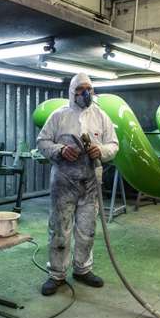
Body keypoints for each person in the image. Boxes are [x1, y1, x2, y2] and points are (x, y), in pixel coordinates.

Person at [36, 73, 119, 296]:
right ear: (72, 92)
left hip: (91, 183)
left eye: (89, 89)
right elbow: (42, 142)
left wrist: (99, 150)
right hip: (64, 182)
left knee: (87, 229)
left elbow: (114, 144)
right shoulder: (59, 116)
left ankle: (82, 269)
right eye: (81, 89)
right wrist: (60, 150)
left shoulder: (101, 117)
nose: (86, 94)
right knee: (60, 229)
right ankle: (57, 274)